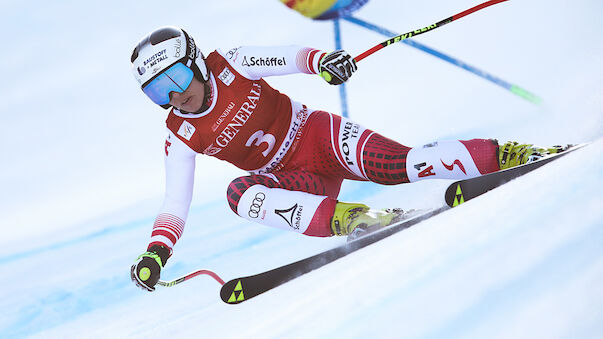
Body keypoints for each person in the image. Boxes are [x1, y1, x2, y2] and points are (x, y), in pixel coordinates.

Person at [129, 26, 563, 291]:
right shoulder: (180, 133)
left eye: (178, 77)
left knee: (402, 167)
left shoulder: (232, 64)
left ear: (197, 63)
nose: (175, 96)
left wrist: (323, 61)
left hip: (318, 136)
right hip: (294, 179)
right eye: (157, 92)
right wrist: (156, 253)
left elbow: (288, 57)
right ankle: (354, 219)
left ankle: (509, 154)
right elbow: (174, 203)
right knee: (238, 193)